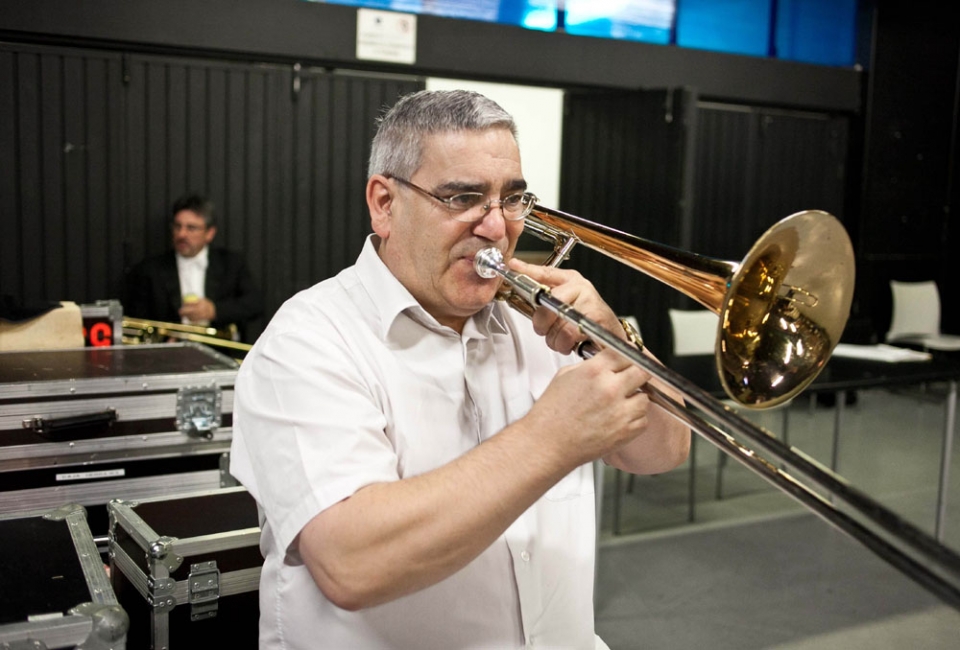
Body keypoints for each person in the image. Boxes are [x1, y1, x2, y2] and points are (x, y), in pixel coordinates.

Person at [229, 89, 690, 649]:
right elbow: (352, 563)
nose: (497, 228)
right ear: (384, 203)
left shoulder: (540, 323)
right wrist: (553, 438)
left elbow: (664, 451)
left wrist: (614, 339)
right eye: (463, 197)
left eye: (512, 199)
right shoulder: (307, 340)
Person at [122, 193, 264, 341]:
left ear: (209, 233)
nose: (181, 234)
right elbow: (137, 318)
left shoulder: (231, 263)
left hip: (220, 350)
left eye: (191, 228)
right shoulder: (149, 270)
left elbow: (255, 303)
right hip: (171, 353)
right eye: (177, 226)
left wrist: (214, 311)